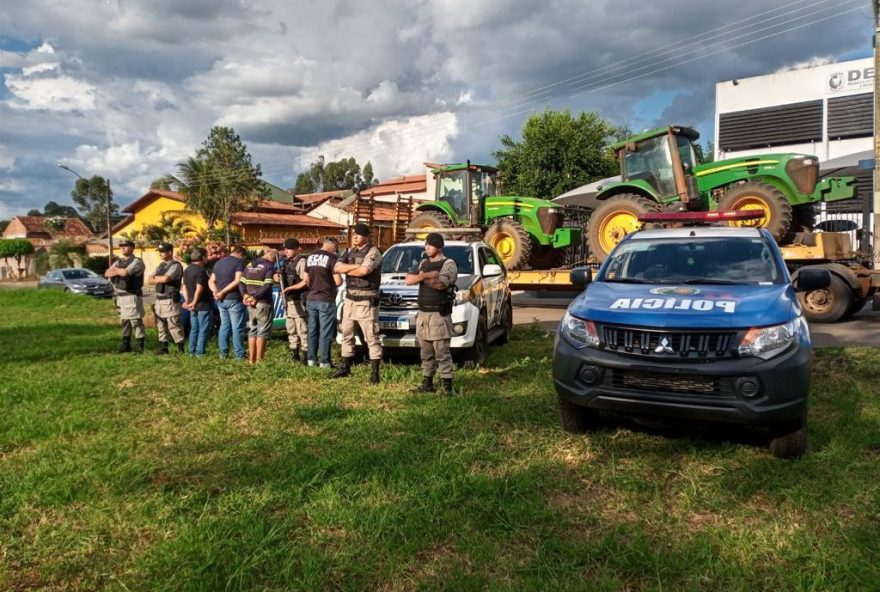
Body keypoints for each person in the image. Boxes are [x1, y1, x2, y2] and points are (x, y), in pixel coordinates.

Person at [405, 232, 458, 395]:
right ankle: (427, 383)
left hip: (438, 314)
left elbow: (441, 284)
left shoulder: (448, 264)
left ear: (439, 246)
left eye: (430, 244)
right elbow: (408, 280)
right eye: (425, 244)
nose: (426, 247)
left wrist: (420, 278)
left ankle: (447, 387)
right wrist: (427, 275)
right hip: (423, 314)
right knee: (425, 353)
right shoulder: (423, 263)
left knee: (442, 352)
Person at [332, 223, 383, 384]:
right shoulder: (348, 251)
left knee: (371, 337)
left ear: (366, 236)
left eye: (358, 234)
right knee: (346, 334)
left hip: (366, 301)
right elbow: (337, 267)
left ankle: (375, 373)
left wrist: (349, 269)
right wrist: (355, 267)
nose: (354, 237)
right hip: (350, 299)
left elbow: (365, 271)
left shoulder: (373, 252)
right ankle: (345, 367)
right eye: (353, 234)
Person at [305, 236, 342, 369]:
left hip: (311, 298)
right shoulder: (332, 259)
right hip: (326, 299)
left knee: (312, 330)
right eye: (336, 248)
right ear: (332, 246)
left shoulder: (310, 257)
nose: (336, 251)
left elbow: (305, 279)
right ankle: (325, 362)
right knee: (325, 332)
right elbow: (338, 281)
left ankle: (311, 360)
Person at [104, 239, 146, 353]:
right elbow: (107, 273)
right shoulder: (119, 261)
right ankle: (126, 345)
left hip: (131, 295)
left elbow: (125, 273)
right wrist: (118, 270)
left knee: (136, 321)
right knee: (124, 321)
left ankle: (139, 346)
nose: (122, 248)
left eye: (125, 246)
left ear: (132, 248)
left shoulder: (137, 261)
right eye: (121, 246)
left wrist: (116, 270)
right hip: (120, 296)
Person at [241, 249, 279, 365]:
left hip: (250, 303)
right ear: (272, 257)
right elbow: (267, 284)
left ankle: (251, 360)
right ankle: (259, 361)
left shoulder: (250, 264)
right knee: (262, 331)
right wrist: (256, 298)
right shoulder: (269, 266)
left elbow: (241, 282)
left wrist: (245, 295)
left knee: (252, 330)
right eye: (275, 259)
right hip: (262, 302)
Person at [209, 246, 247, 359]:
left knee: (224, 325)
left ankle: (223, 353)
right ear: (241, 254)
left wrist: (216, 292)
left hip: (221, 300)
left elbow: (211, 280)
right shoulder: (239, 262)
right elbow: (238, 280)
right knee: (237, 327)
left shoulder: (219, 263)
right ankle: (239, 355)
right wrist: (223, 292)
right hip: (234, 298)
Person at [149, 242, 185, 355]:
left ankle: (180, 349)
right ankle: (163, 348)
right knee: (161, 325)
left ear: (169, 252)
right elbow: (149, 279)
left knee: (174, 325)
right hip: (159, 299)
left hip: (170, 300)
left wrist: (157, 278)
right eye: (159, 252)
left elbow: (166, 279)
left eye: (162, 252)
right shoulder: (161, 266)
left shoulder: (176, 265)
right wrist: (157, 279)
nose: (160, 254)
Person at [281, 238, 309, 363]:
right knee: (291, 329)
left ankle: (305, 356)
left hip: (298, 300)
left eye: (289, 249)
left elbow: (306, 281)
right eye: (285, 249)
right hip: (289, 301)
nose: (286, 251)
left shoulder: (301, 261)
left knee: (302, 329)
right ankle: (295, 354)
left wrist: (290, 288)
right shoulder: (287, 262)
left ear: (297, 249)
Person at [182, 247, 212, 356]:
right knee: (203, 330)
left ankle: (191, 351)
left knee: (194, 329)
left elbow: (184, 286)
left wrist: (187, 301)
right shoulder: (201, 271)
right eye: (206, 256)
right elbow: (200, 288)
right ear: (203, 257)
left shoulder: (187, 269)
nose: (207, 259)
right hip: (202, 304)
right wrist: (194, 301)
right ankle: (200, 353)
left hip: (191, 305)